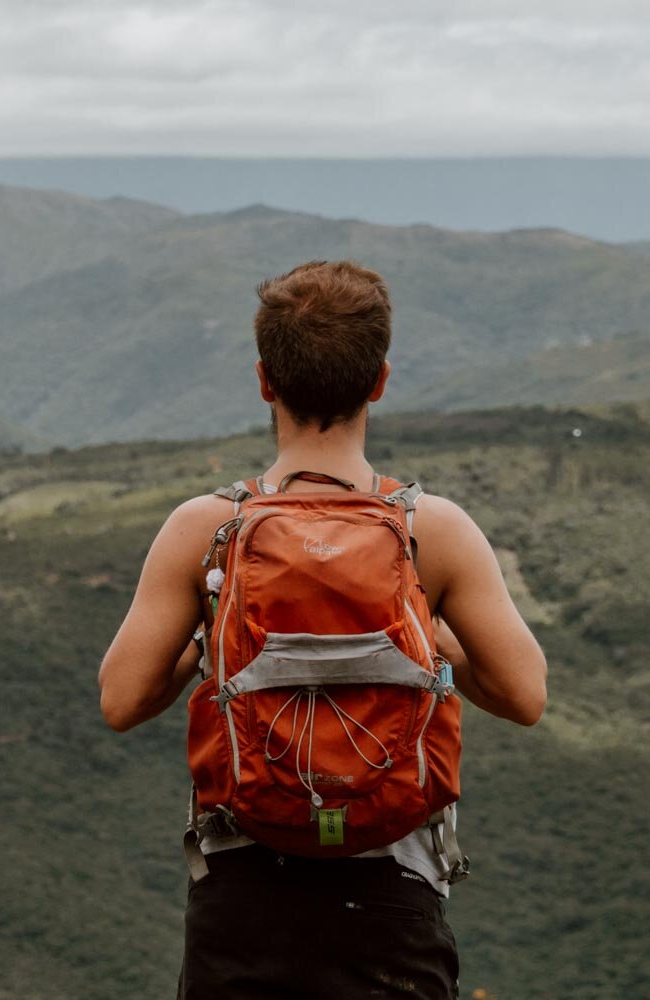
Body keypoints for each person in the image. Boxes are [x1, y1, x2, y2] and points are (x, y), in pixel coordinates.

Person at [98, 260, 547, 999]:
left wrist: (210, 639)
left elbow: (122, 700)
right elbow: (524, 694)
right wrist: (428, 639)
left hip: (241, 901)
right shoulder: (432, 531)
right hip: (391, 901)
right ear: (379, 380)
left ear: (265, 380)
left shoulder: (205, 530)